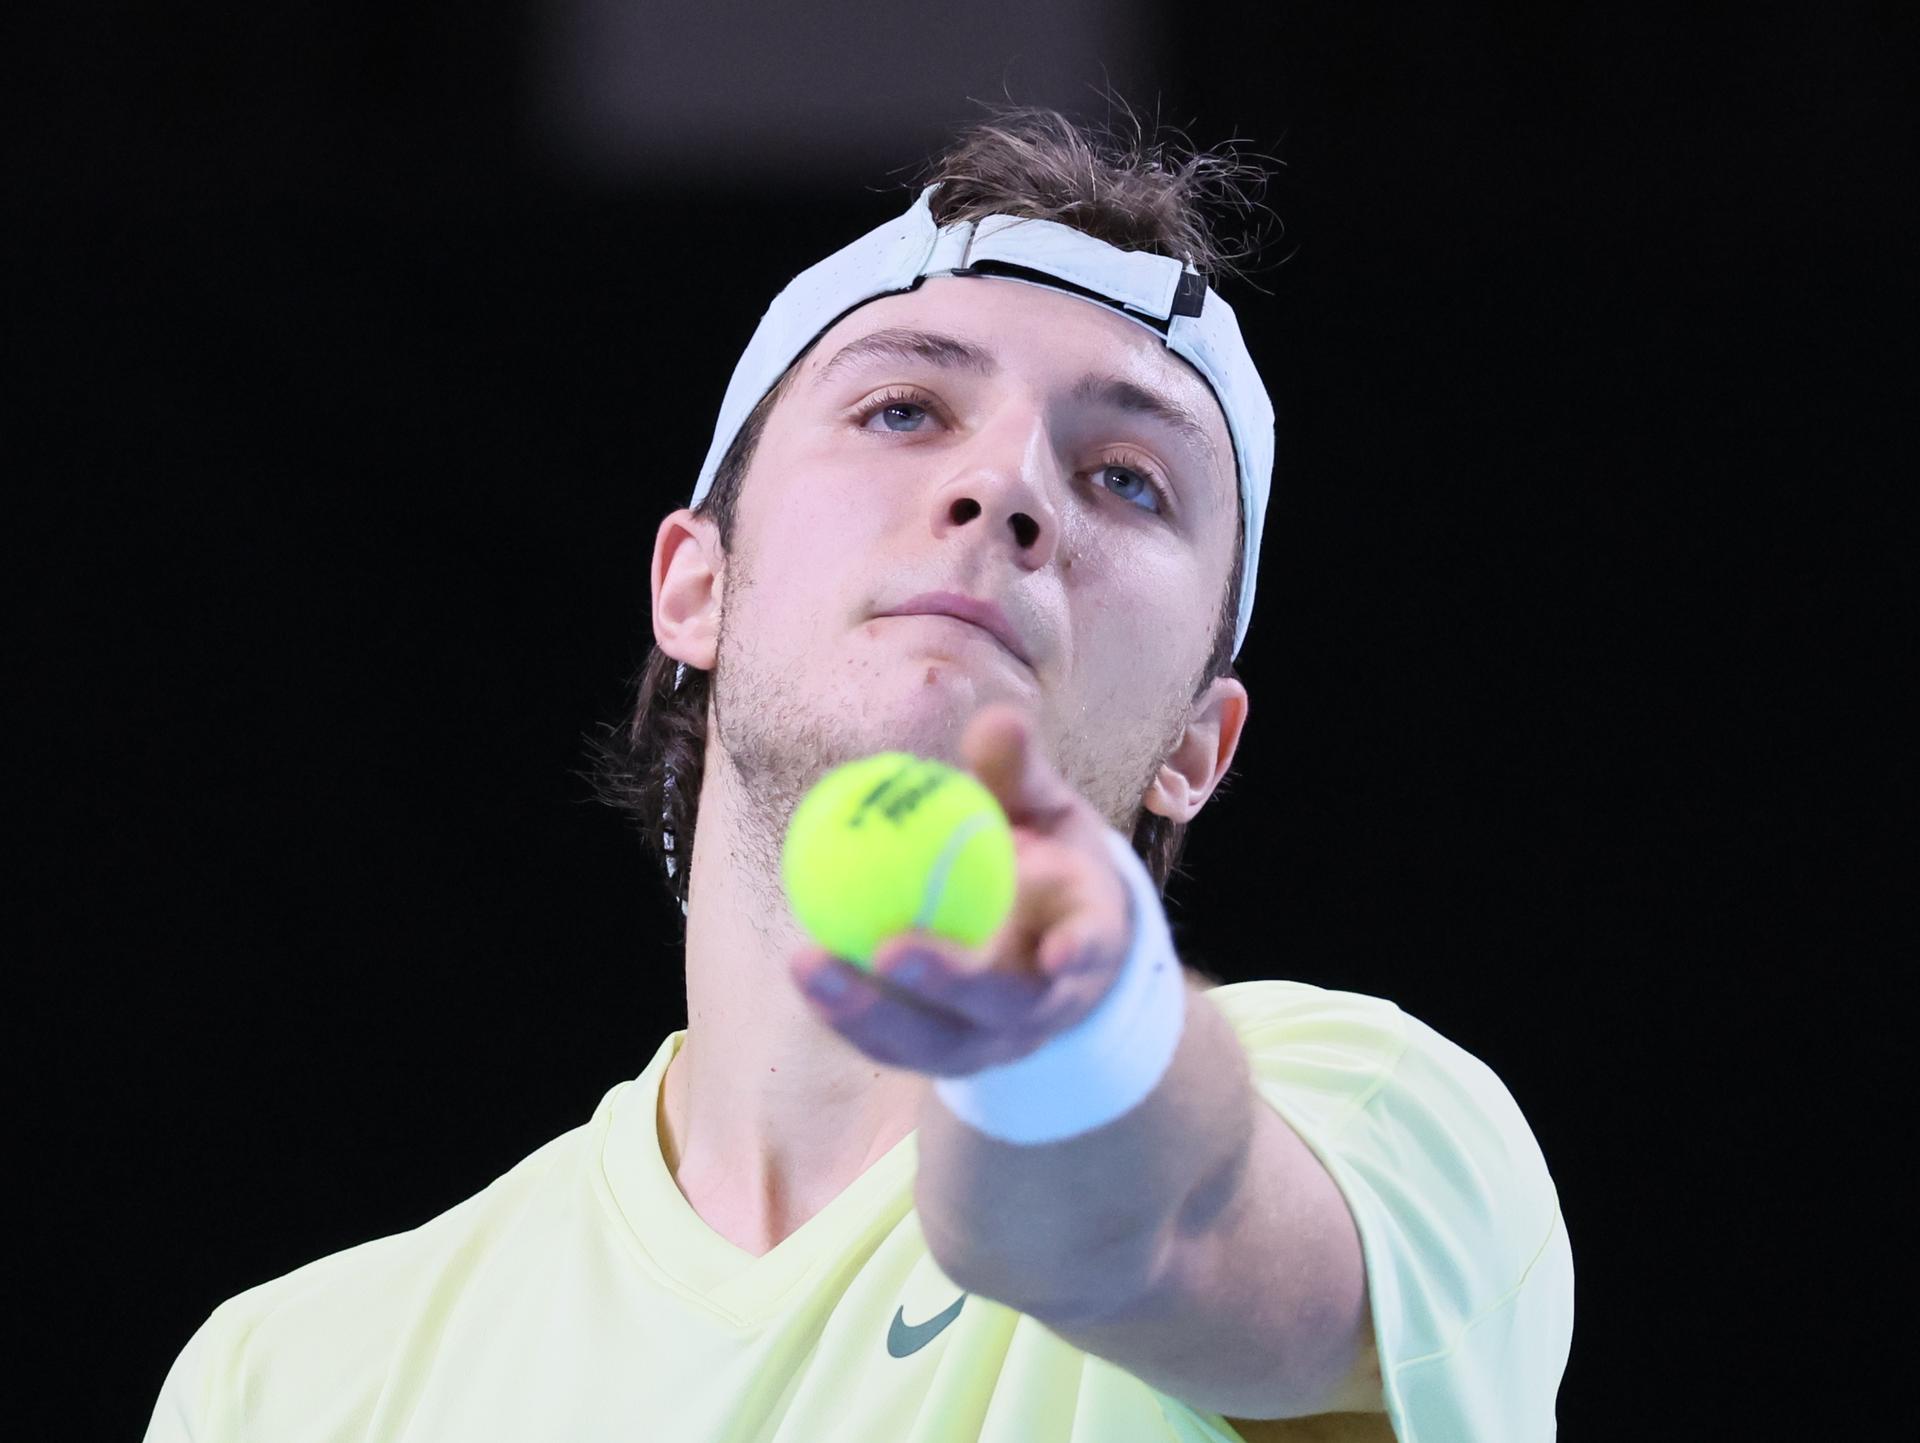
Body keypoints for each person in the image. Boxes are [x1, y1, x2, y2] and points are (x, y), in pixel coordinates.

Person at [144, 104, 1573, 1443]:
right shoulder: (286, 1383)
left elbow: (1157, 1229)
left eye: (1128, 478)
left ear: (1199, 749)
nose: (1007, 483)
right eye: (903, 411)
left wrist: (1066, 1041)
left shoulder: (1381, 1121)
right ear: (694, 585)